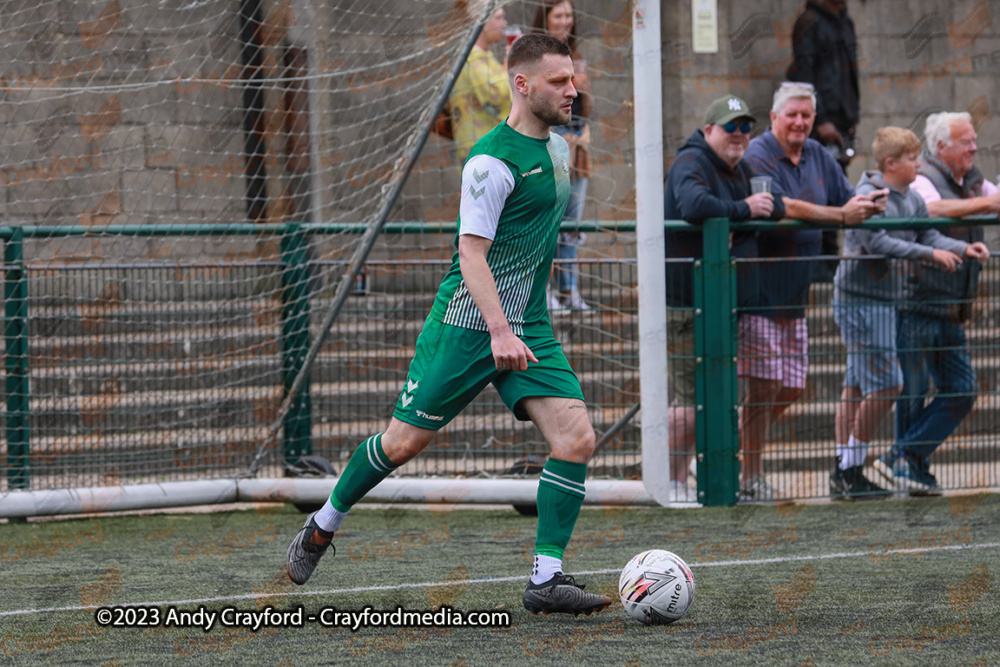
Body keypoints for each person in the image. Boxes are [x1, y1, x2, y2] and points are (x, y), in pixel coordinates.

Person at [285, 34, 612, 617]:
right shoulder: (488, 161)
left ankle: (545, 579)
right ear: (522, 84)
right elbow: (472, 255)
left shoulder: (561, 152)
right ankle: (323, 523)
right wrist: (498, 330)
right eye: (558, 81)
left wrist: (524, 310)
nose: (572, 89)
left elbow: (533, 238)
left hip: (527, 325)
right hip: (467, 325)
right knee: (404, 443)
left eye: (572, 78)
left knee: (576, 440)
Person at [739, 81, 884, 501]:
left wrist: (871, 195)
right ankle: (749, 475)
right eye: (793, 115)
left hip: (797, 293)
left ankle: (734, 447)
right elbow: (785, 206)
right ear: (774, 117)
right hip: (760, 291)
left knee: (793, 386)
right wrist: (841, 215)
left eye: (807, 116)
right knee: (763, 387)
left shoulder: (819, 153)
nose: (801, 123)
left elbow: (846, 193)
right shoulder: (758, 153)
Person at [831, 127, 974, 500]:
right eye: (912, 159)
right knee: (887, 384)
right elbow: (877, 241)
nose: (918, 164)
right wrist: (930, 255)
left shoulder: (911, 197)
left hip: (885, 301)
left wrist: (962, 247)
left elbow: (928, 235)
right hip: (861, 300)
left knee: (858, 384)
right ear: (891, 164)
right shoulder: (870, 195)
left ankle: (846, 470)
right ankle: (848, 467)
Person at [664, 95, 786, 501]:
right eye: (730, 127)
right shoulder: (691, 162)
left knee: (716, 395)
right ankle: (671, 481)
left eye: (745, 128)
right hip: (686, 302)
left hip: (722, 303)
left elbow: (777, 205)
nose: (739, 135)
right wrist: (743, 209)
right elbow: (694, 204)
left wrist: (745, 214)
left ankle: (695, 475)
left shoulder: (742, 167)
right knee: (692, 399)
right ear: (710, 130)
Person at [872, 112, 994, 493]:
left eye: (974, 140)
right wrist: (985, 205)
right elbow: (933, 212)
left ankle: (902, 457)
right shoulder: (921, 178)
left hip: (953, 304)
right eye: (965, 141)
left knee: (962, 388)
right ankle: (911, 467)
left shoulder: (975, 180)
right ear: (941, 146)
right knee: (913, 392)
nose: (973, 147)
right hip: (917, 302)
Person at [786, 0, 861, 282]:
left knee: (835, 186)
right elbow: (804, 73)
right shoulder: (809, 21)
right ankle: (821, 262)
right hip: (820, 122)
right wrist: (820, 120)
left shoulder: (844, 20)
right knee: (816, 188)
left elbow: (850, 72)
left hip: (842, 119)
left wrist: (852, 114)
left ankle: (831, 260)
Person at [533, 0, 593, 312]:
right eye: (559, 14)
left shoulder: (578, 56)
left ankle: (570, 291)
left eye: (569, 14)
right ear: (545, 17)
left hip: (578, 151)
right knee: (548, 225)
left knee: (572, 227)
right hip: (549, 148)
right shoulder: (534, 56)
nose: (565, 20)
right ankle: (543, 292)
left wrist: (583, 133)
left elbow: (586, 107)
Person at [449, 7, 512, 165]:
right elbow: (500, 95)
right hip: (480, 154)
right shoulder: (472, 57)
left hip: (489, 150)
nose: (504, 23)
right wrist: (513, 62)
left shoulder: (483, 54)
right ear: (481, 21)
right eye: (498, 18)